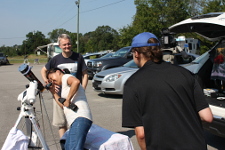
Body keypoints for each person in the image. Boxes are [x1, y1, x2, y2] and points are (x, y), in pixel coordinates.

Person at [122, 32, 213, 150]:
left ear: (136, 53)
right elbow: (207, 117)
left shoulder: (132, 84)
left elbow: (141, 134)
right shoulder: (186, 74)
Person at [41, 34, 88, 138]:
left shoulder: (79, 57)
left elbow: (85, 74)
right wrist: (48, 82)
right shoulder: (55, 59)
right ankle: (64, 144)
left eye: (69, 44)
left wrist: (83, 89)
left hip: (75, 96)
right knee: (61, 124)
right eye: (64, 44)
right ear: (59, 46)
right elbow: (44, 70)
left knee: (76, 122)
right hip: (59, 96)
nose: (67, 46)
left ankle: (73, 143)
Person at [46, 68, 92, 150]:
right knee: (68, 147)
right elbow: (63, 106)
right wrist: (53, 92)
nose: (52, 81)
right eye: (50, 80)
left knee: (74, 147)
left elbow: (76, 82)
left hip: (80, 117)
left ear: (58, 72)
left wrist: (68, 99)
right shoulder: (64, 85)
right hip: (75, 120)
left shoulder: (66, 77)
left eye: (51, 78)